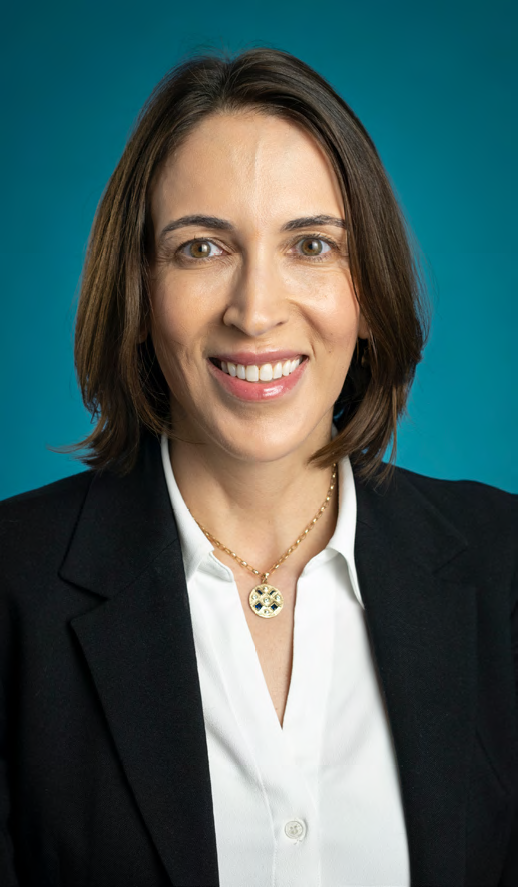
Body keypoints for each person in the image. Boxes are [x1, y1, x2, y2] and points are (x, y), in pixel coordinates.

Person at [0, 47, 516, 887]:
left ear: (369, 292)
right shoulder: (13, 586)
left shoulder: (505, 564)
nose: (256, 310)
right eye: (202, 248)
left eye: (311, 244)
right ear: (139, 293)